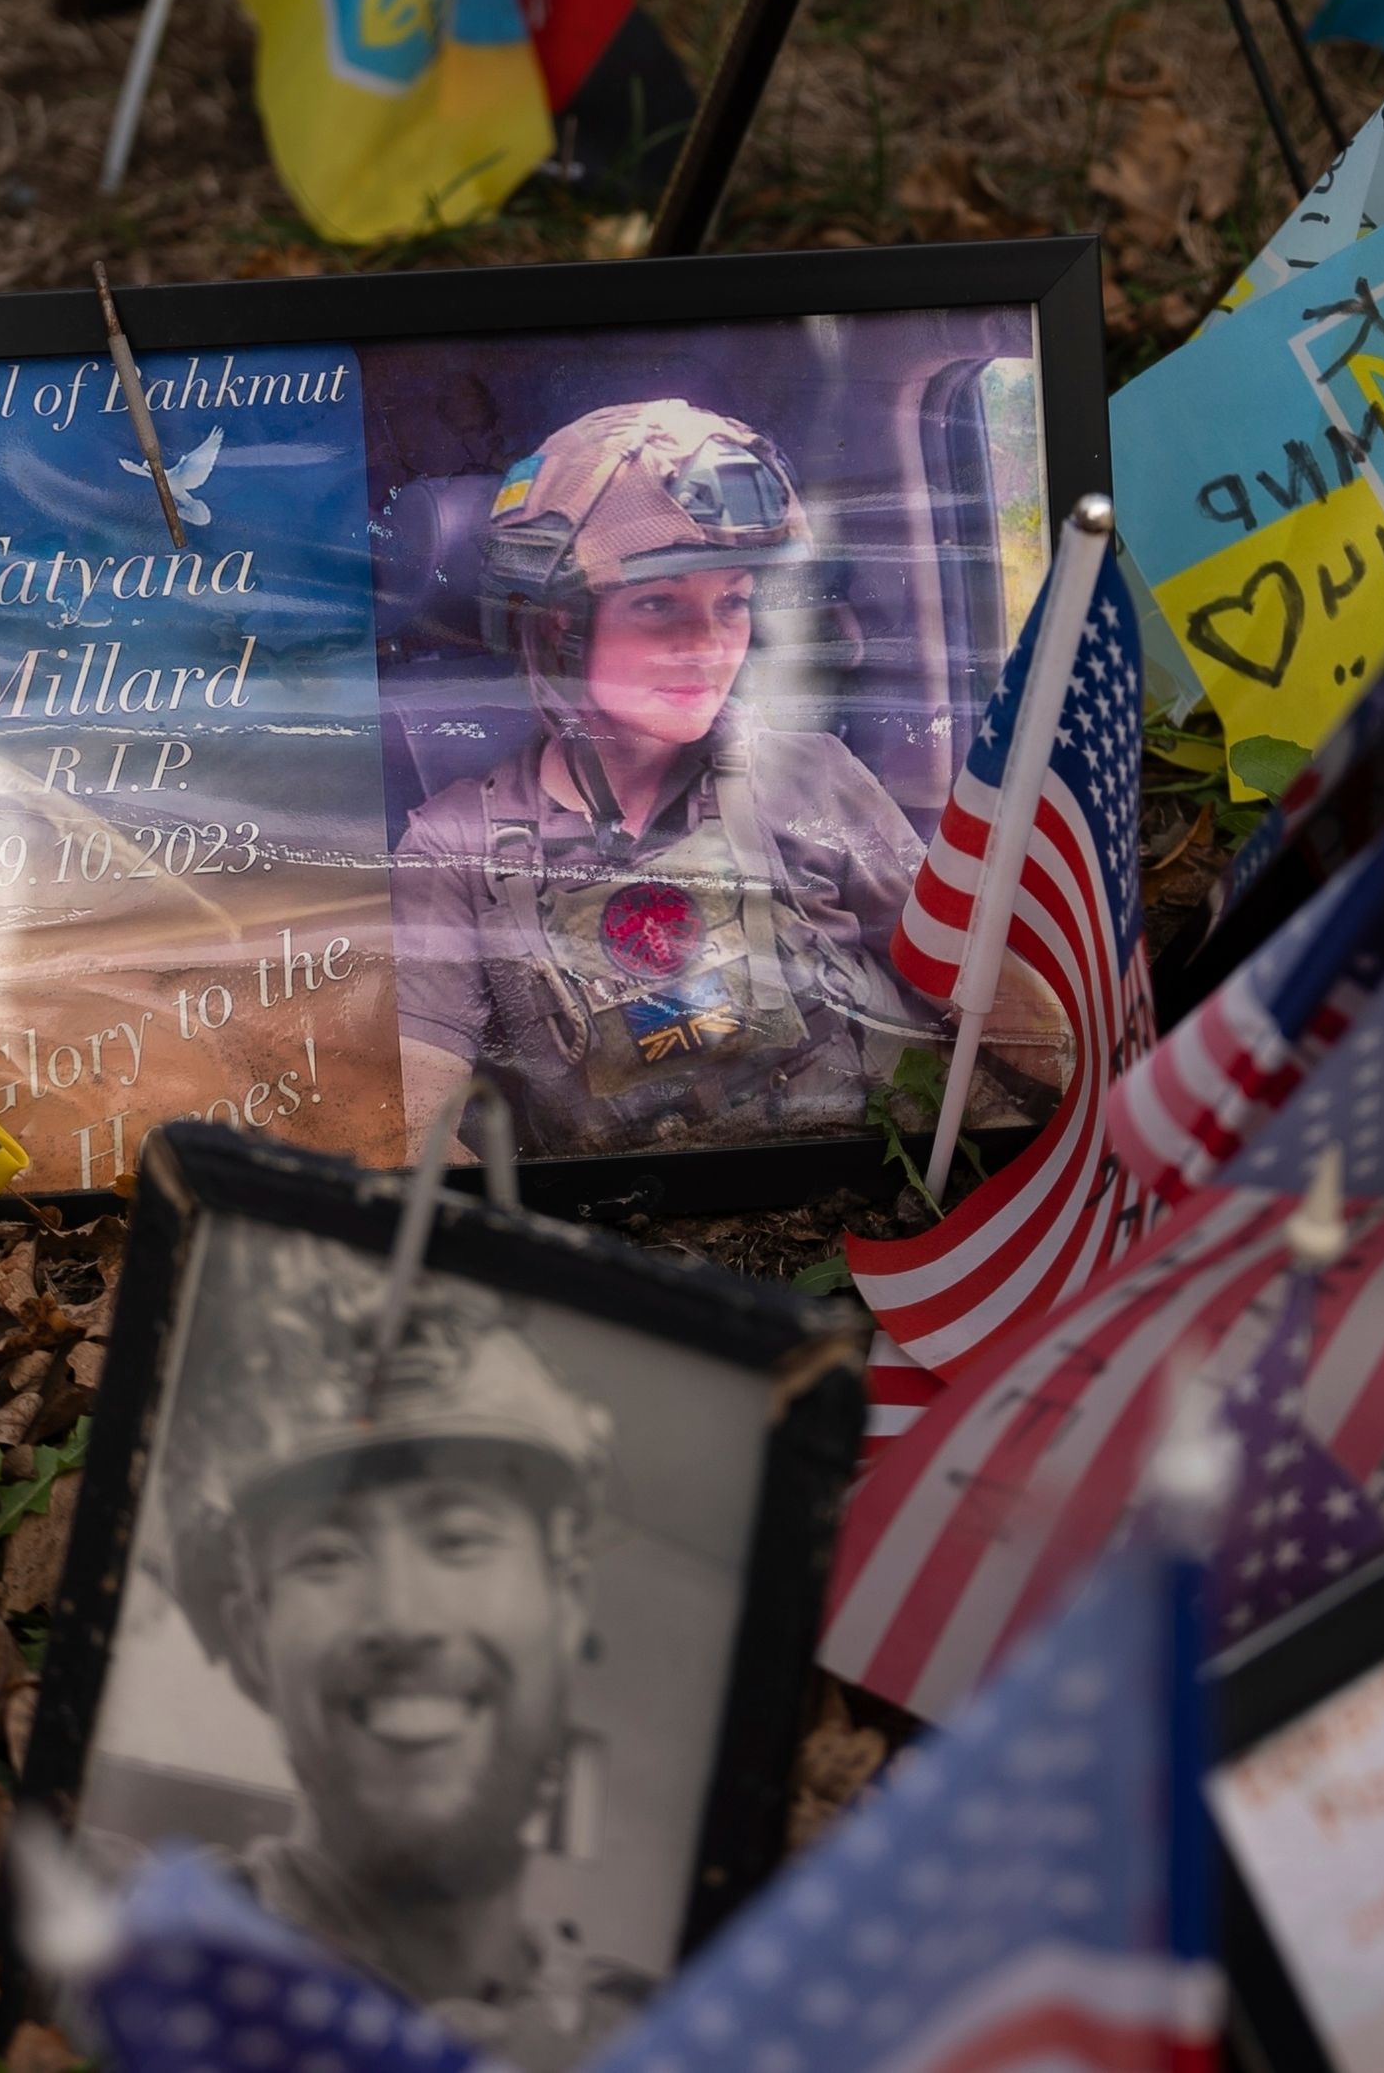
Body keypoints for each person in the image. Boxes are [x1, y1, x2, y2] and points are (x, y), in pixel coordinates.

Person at [388, 399, 936, 1155]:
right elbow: (419, 1135)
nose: (710, 645)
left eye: (734, 602)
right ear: (557, 624)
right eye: (657, 604)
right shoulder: (455, 850)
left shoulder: (808, 775)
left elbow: (977, 997)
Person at [157, 1233, 650, 2070]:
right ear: (249, 1639)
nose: (402, 1616)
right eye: (327, 1554)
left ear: (567, 1606)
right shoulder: (128, 1956)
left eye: (459, 1539)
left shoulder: (669, 2030)